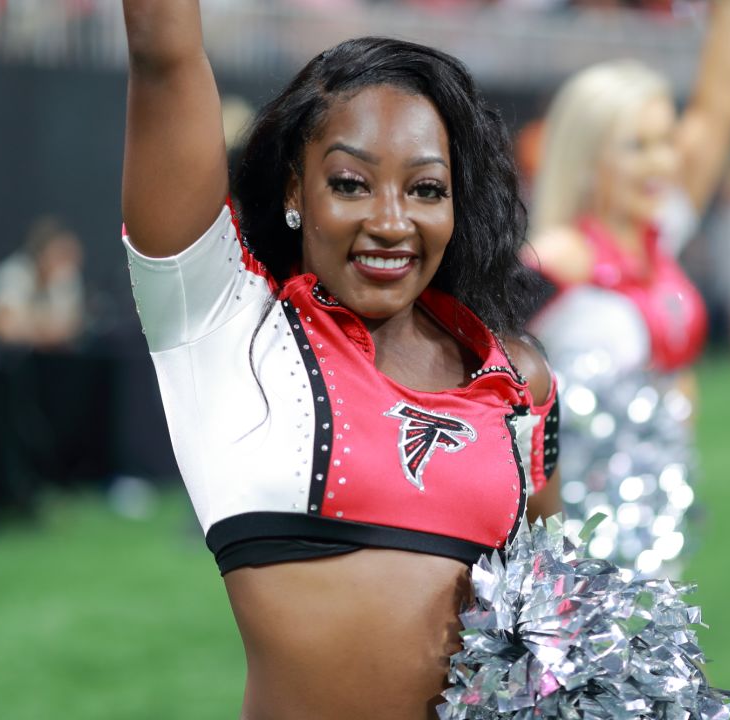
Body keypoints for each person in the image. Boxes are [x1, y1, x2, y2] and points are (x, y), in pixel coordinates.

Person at [119, 3, 558, 717]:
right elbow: (163, 52)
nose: (391, 221)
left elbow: (557, 603)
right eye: (351, 183)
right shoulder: (222, 327)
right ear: (296, 190)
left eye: (426, 189)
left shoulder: (515, 377)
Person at [523, 0, 730, 576]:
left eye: (665, 141)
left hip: (654, 504)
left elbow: (719, 110)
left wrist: (728, 12)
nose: (662, 162)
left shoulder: (659, 233)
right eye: (637, 146)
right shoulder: (560, 258)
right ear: (590, 154)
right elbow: (464, 355)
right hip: (574, 525)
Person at [0, 215, 85, 351]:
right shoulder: (14, 275)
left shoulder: (65, 278)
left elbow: (72, 327)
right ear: (41, 254)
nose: (68, 262)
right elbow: (5, 329)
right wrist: (48, 330)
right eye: (61, 254)